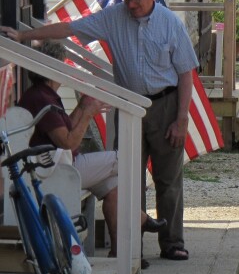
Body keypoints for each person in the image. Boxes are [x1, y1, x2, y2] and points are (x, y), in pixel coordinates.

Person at [1, 0, 199, 262]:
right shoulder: (114, 16)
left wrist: (182, 118)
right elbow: (69, 29)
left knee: (168, 177)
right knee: (128, 173)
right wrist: (23, 35)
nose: (131, 5)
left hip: (166, 105)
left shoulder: (170, 23)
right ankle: (132, 244)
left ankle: (172, 242)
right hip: (129, 105)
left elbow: (185, 73)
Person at [17, 41, 167, 259]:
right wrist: (88, 114)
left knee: (113, 188)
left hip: (56, 165)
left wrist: (83, 106)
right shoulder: (41, 98)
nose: (65, 68)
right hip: (54, 170)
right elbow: (68, 142)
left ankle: (119, 253)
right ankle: (141, 219)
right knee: (124, 159)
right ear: (52, 67)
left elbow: (64, 129)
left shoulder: (42, 94)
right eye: (62, 64)